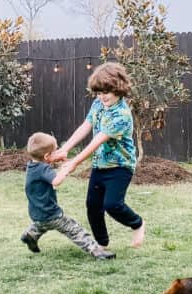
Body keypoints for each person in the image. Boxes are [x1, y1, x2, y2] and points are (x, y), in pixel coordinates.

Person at [52, 62, 145, 249]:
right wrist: (65, 148)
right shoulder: (98, 104)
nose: (102, 97)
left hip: (120, 166)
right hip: (100, 165)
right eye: (98, 93)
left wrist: (74, 163)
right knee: (93, 205)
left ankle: (137, 223)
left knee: (112, 204)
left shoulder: (122, 115)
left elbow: (97, 141)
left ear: (118, 89)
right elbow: (85, 126)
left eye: (106, 92)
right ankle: (101, 244)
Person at [21, 131, 116, 260]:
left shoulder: (33, 166)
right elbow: (56, 181)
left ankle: (30, 235)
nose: (58, 151)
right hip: (51, 213)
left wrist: (58, 162)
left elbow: (46, 169)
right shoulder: (44, 169)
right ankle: (96, 251)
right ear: (47, 155)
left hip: (36, 213)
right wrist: (66, 170)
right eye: (56, 150)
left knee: (42, 224)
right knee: (73, 229)